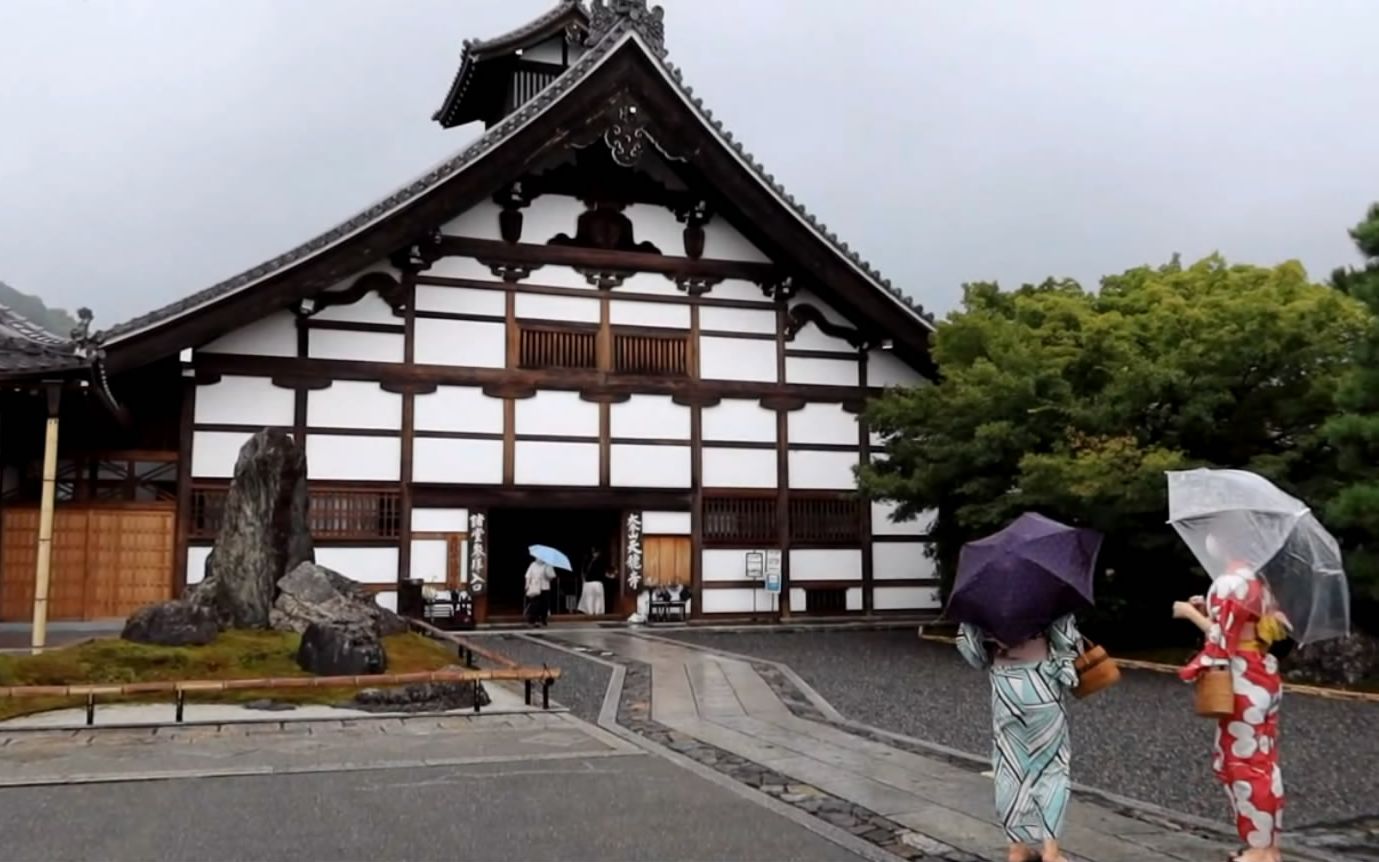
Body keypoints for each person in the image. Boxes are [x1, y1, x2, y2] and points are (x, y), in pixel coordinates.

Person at [1174, 559, 1289, 862]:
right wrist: (1207, 611)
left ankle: (1258, 849)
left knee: (1244, 765)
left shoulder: (1233, 581)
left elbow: (1222, 640)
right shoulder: (1260, 581)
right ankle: (1269, 846)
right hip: (1263, 674)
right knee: (1264, 762)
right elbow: (1245, 627)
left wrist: (1188, 615)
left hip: (1243, 680)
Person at [956, 614, 1082, 862]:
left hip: (1005, 685)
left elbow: (968, 646)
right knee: (1052, 766)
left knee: (1009, 766)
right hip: (1042, 683)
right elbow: (1068, 640)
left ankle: (1017, 848)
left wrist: (990, 655)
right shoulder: (1046, 589)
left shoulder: (983, 595)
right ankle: (1051, 852)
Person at [523, 557, 554, 627]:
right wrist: (527, 584)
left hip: (545, 587)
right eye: (538, 558)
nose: (539, 559)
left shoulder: (548, 565)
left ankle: (543, 619)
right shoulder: (533, 565)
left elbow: (552, 577)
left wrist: (548, 574)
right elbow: (528, 575)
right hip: (535, 587)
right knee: (535, 604)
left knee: (545, 604)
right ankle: (534, 619)